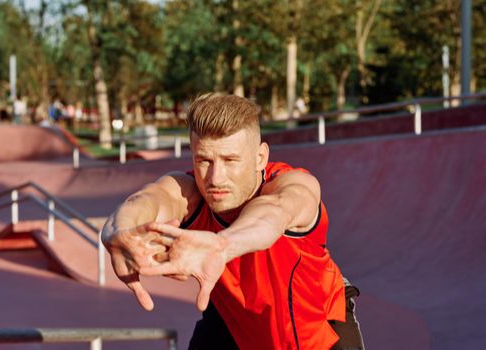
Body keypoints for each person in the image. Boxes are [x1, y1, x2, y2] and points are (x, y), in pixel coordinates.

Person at [102, 93, 364, 349]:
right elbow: (149, 199)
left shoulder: (291, 185)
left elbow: (273, 213)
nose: (215, 178)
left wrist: (222, 245)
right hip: (232, 316)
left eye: (230, 160)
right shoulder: (190, 191)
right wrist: (118, 230)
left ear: (260, 158)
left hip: (317, 327)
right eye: (204, 160)